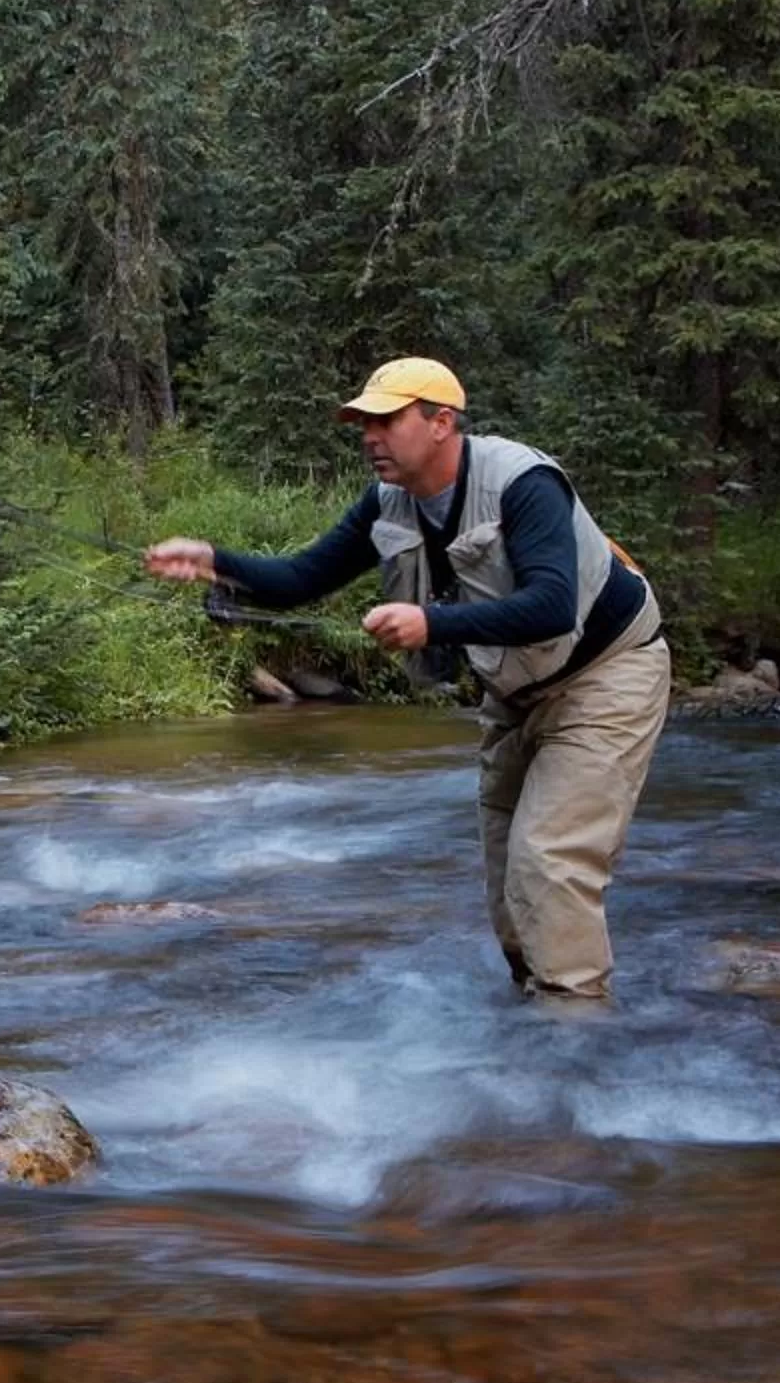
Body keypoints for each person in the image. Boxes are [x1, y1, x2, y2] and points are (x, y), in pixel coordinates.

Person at [143, 358, 670, 999]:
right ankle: (532, 1011)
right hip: (517, 691)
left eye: (386, 420)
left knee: (551, 860)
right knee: (507, 867)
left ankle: (573, 1027)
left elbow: (553, 605)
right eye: (364, 422)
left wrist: (432, 622)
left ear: (441, 422)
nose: (369, 435)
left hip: (609, 671)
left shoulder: (523, 483)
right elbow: (303, 578)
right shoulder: (389, 502)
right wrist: (215, 561)